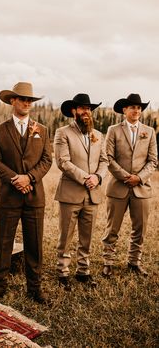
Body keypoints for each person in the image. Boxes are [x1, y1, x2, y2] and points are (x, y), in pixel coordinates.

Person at [0, 82, 52, 304]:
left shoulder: (42, 130)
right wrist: (16, 179)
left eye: (30, 100)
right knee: (3, 243)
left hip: (34, 196)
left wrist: (29, 178)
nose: (26, 103)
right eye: (22, 99)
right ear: (12, 101)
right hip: (8, 196)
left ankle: (35, 289)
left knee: (35, 245)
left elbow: (46, 160)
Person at [54, 93, 108, 290]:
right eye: (83, 108)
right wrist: (86, 177)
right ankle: (63, 272)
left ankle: (83, 272)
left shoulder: (98, 135)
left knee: (87, 235)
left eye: (89, 108)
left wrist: (98, 177)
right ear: (73, 111)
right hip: (70, 193)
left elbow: (104, 161)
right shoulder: (63, 132)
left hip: (93, 194)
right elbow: (63, 162)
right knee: (65, 235)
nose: (87, 112)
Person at [102, 93, 158, 277]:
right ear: (124, 110)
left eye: (139, 107)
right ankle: (108, 262)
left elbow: (153, 160)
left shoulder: (149, 131)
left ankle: (134, 262)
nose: (136, 110)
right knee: (112, 228)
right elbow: (108, 158)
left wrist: (139, 178)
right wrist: (126, 176)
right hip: (118, 187)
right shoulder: (113, 130)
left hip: (141, 189)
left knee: (139, 229)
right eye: (132, 107)